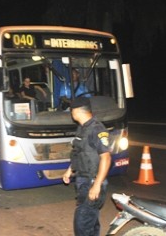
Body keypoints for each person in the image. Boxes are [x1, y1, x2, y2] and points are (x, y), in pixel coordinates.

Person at [62, 97, 111, 236]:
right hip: (82, 179)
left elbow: (106, 158)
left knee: (82, 221)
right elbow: (79, 152)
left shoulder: (97, 129)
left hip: (92, 180)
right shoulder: (82, 128)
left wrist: (97, 184)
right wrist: (69, 170)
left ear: (76, 111)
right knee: (91, 218)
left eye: (71, 110)